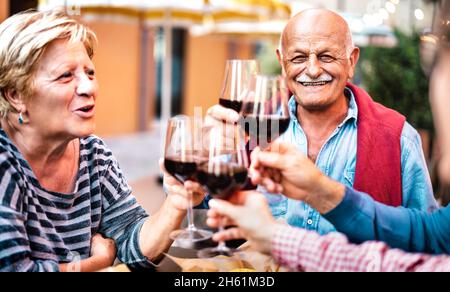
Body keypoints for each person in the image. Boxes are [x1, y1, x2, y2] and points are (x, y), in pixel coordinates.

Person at [206, 0, 450, 272]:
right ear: (281, 62)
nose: (312, 69)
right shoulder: (258, 127)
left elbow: (429, 240)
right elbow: (214, 211)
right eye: (298, 58)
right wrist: (209, 157)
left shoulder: (399, 138)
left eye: (326, 56)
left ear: (352, 61)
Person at [0, 10, 197, 272]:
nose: (89, 87)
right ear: (15, 95)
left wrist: (177, 202)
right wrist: (95, 264)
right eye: (66, 76)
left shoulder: (94, 154)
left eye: (90, 73)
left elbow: (131, 240)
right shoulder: (4, 163)